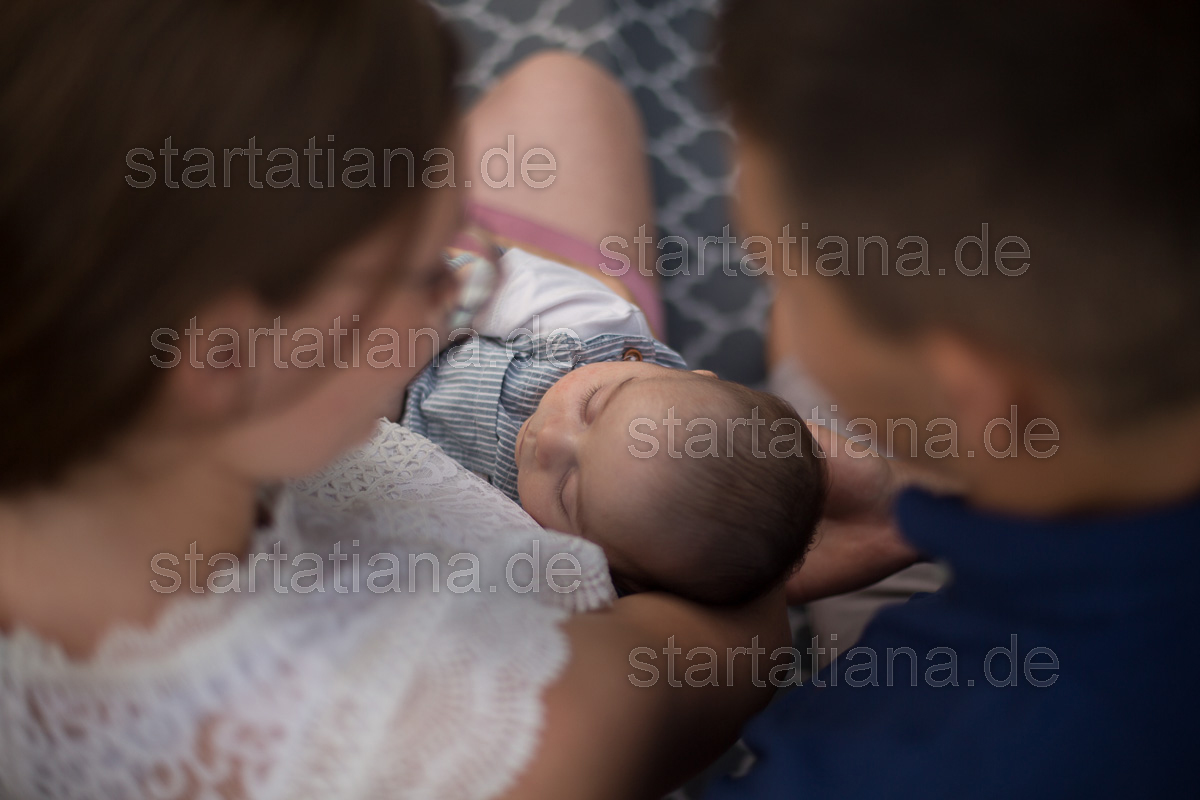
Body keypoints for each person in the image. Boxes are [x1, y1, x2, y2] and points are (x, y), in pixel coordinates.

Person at [0, 2, 791, 797]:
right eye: (425, 274)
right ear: (224, 361)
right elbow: (748, 645)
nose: (461, 290)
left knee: (561, 94)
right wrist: (749, 508)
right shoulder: (501, 730)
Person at [704, 0, 1200, 797]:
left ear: (973, 392)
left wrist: (693, 635)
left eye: (780, 273)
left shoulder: (894, 764)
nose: (781, 302)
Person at [402, 246, 826, 605]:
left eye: (567, 492)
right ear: (688, 376)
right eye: (593, 405)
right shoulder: (594, 329)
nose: (548, 438)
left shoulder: (546, 565)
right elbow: (486, 285)